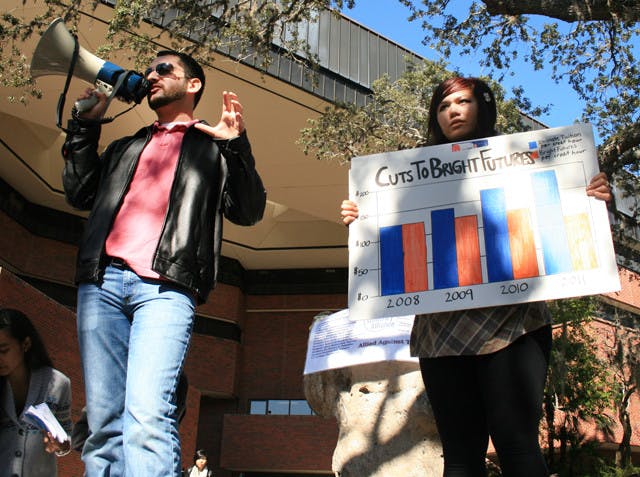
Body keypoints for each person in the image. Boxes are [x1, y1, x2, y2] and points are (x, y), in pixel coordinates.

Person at [340, 76, 612, 477]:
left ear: (482, 107)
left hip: (513, 327)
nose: (452, 110)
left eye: (463, 101)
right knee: (460, 453)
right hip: (441, 334)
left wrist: (595, 197)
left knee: (516, 443)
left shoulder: (524, 160)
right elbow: (389, 244)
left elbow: (567, 223)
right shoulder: (408, 173)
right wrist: (360, 218)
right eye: (443, 105)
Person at [61, 50, 266, 476]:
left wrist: (235, 146)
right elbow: (80, 192)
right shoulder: (125, 145)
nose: (150, 75)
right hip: (101, 285)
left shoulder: (212, 147)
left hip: (166, 288)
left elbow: (248, 211)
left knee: (149, 416)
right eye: (148, 70)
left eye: (163, 69)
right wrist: (85, 125)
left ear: (193, 85)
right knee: (102, 423)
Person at [0, 308, 72, 477]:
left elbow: (67, 434)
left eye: (3, 351)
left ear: (25, 344)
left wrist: (60, 444)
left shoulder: (58, 384)